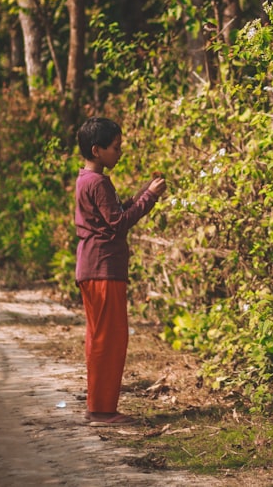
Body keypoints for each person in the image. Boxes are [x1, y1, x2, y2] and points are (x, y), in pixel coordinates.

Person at [74, 117, 166, 425]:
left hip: (93, 266)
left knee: (102, 336)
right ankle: (101, 410)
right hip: (103, 267)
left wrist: (141, 193)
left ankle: (100, 406)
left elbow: (111, 214)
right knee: (108, 340)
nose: (120, 152)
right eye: (116, 147)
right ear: (97, 150)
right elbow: (118, 223)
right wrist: (150, 197)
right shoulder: (98, 183)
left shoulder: (85, 179)